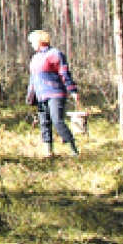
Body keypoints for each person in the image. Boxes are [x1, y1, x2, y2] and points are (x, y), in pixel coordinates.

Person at [26, 29, 80, 157]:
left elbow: (64, 73)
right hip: (40, 95)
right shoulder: (35, 58)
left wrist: (72, 90)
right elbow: (33, 79)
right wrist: (30, 95)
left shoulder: (55, 54)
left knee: (57, 121)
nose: (32, 45)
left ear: (40, 41)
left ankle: (73, 149)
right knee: (44, 122)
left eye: (33, 42)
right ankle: (48, 151)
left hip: (55, 93)